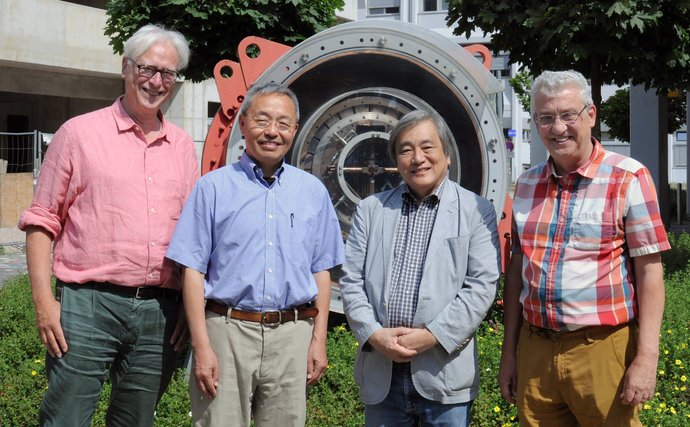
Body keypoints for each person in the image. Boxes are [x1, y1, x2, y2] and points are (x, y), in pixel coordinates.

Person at [17, 24, 199, 426]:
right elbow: (41, 221)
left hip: (160, 313)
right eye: (147, 69)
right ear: (125, 66)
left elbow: (192, 236)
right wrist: (45, 303)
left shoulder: (184, 147)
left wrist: (190, 306)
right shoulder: (79, 133)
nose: (156, 81)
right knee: (66, 416)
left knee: (135, 421)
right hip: (87, 305)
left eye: (167, 73)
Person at [165, 82, 344, 427]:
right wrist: (202, 347)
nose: (272, 132)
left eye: (282, 122)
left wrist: (317, 341)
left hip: (293, 334)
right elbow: (192, 271)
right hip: (226, 332)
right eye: (262, 120)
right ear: (243, 124)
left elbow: (321, 271)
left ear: (294, 129)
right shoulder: (212, 188)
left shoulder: (312, 192)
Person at [498, 70, 670, 426]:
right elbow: (517, 271)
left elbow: (650, 271)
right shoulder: (526, 184)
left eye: (567, 115)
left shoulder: (628, 178)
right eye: (546, 118)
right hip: (536, 350)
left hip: (602, 349)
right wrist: (509, 355)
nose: (557, 128)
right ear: (535, 123)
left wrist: (647, 356)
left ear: (591, 115)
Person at [340, 109, 501, 426]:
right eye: (406, 149)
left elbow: (481, 287)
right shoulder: (372, 210)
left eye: (427, 147)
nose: (417, 158)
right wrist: (374, 334)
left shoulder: (475, 210)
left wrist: (432, 336)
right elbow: (351, 282)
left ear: (446, 154)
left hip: (443, 374)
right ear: (396, 159)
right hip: (382, 376)